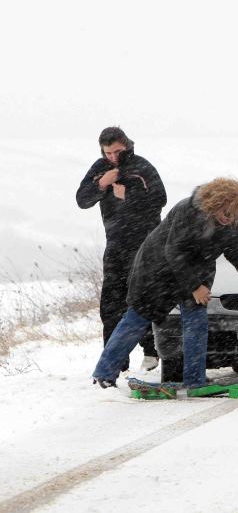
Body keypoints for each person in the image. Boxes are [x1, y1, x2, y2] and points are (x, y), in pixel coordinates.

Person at [92, 178, 238, 389]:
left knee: (197, 324)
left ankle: (195, 382)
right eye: (226, 213)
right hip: (157, 272)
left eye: (236, 214)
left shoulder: (234, 218)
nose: (230, 218)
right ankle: (104, 374)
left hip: (194, 274)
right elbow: (174, 251)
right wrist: (195, 287)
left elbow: (231, 246)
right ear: (214, 204)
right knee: (135, 321)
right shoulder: (188, 211)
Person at [76, 127, 166, 371]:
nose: (113, 157)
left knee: (144, 298)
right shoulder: (99, 168)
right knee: (111, 303)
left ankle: (151, 351)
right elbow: (82, 200)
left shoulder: (142, 167)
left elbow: (159, 200)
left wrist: (128, 194)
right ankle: (115, 358)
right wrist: (102, 184)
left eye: (117, 151)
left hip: (145, 245)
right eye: (108, 153)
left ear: (127, 146)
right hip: (115, 244)